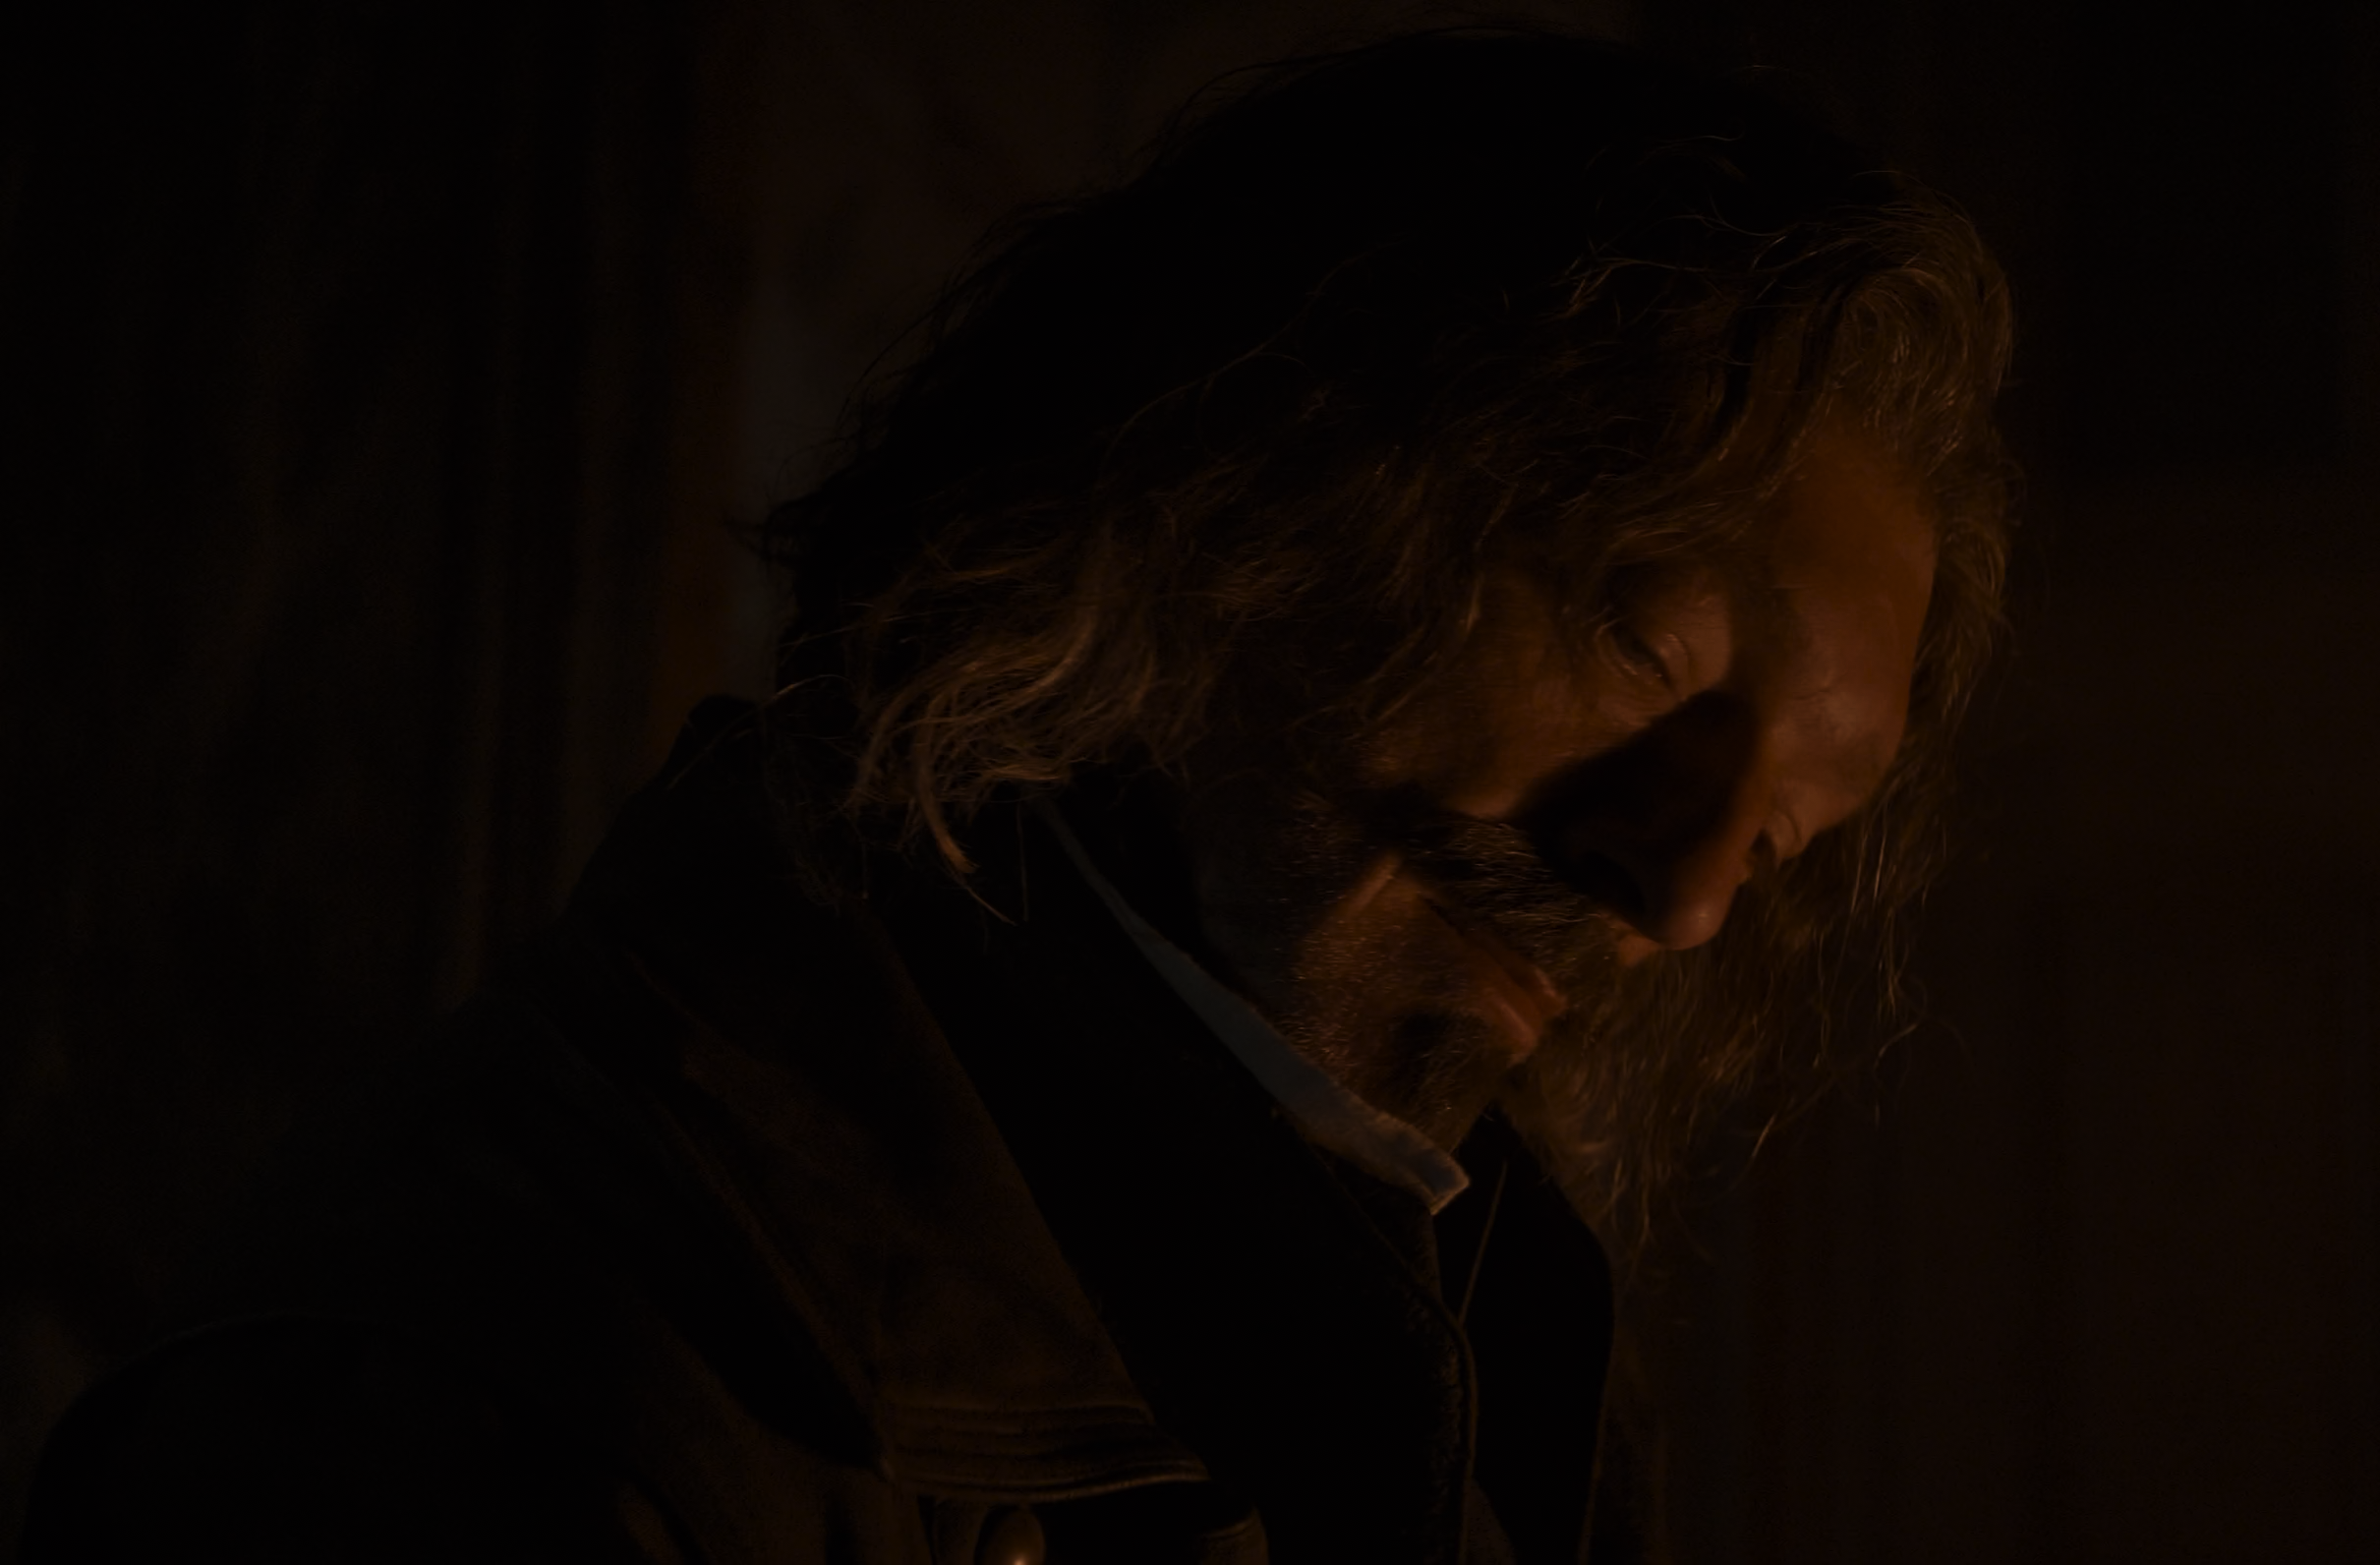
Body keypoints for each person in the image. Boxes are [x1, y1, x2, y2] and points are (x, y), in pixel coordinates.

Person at [21, 31, 2013, 1565]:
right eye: (1645, 654)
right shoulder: (486, 1396)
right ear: (1250, 480)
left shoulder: (1498, 1356)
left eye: (1787, 832)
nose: (1684, 895)